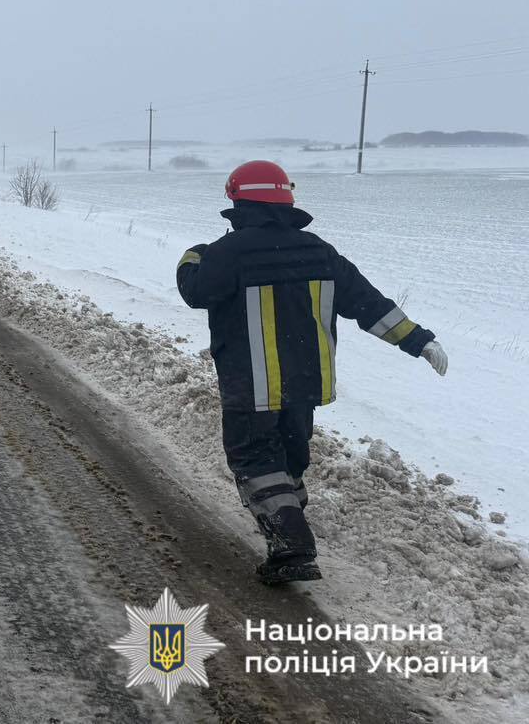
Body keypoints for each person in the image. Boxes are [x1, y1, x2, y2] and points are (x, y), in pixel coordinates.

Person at [176, 160, 448, 585]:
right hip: (306, 382)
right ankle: (288, 518)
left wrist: (193, 255)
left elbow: (197, 292)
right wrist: (418, 340)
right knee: (289, 455)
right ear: (287, 201)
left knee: (255, 457)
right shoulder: (319, 250)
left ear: (238, 202)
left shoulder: (228, 252)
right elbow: (368, 304)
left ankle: (292, 546)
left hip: (252, 384)